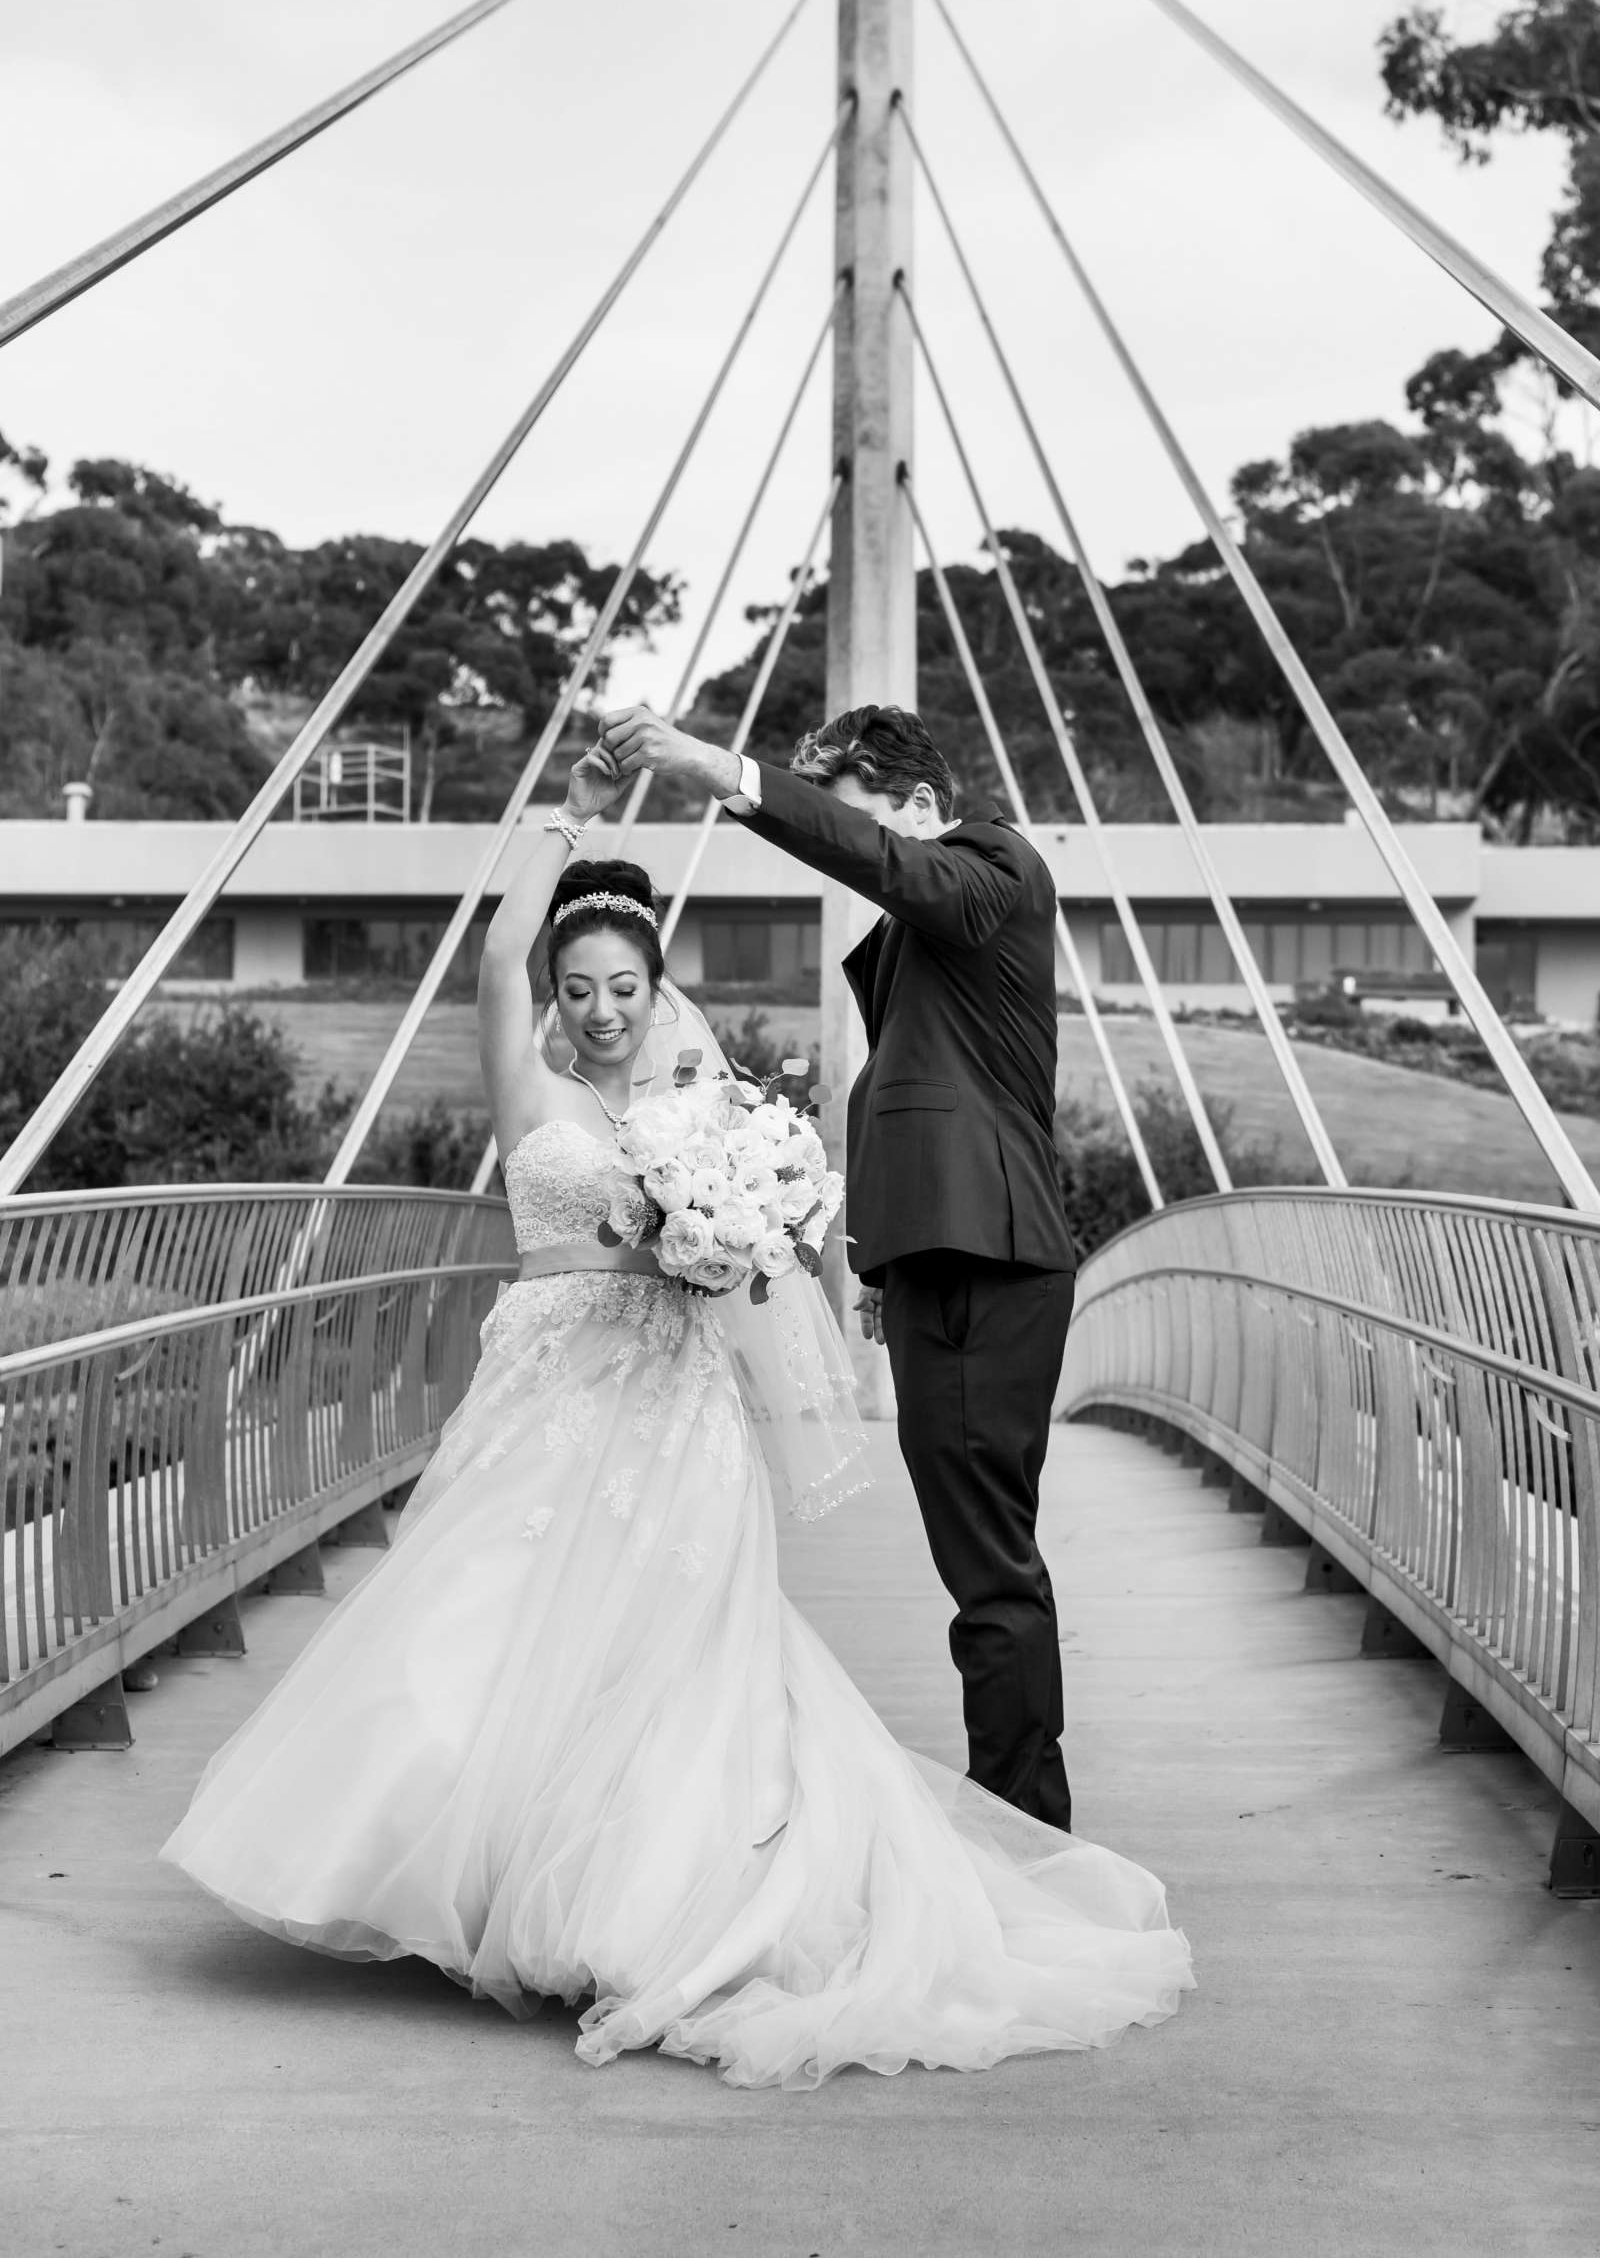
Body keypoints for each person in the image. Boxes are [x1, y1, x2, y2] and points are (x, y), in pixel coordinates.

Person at [162, 745, 1190, 2087]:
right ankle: (465, 1874)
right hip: (548, 1381)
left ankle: (648, 1897)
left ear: (657, 995)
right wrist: (561, 826)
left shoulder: (744, 1065)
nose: (599, 1008)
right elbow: (497, 961)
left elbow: (758, 1224)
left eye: (623, 989)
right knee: (490, 1622)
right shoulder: (531, 1085)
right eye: (578, 989)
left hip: (676, 1388)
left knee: (681, 1646)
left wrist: (722, 1240)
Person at [602, 701, 1078, 1831]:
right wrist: (874, 1264)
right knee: (977, 1551)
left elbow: (868, 855)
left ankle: (1025, 1828)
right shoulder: (927, 941)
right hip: (942, 1257)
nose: (843, 837)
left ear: (918, 808)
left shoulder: (994, 866)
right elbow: (913, 1093)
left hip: (987, 1255)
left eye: (855, 810)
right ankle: (1019, 1811)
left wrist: (720, 771)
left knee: (988, 1565)